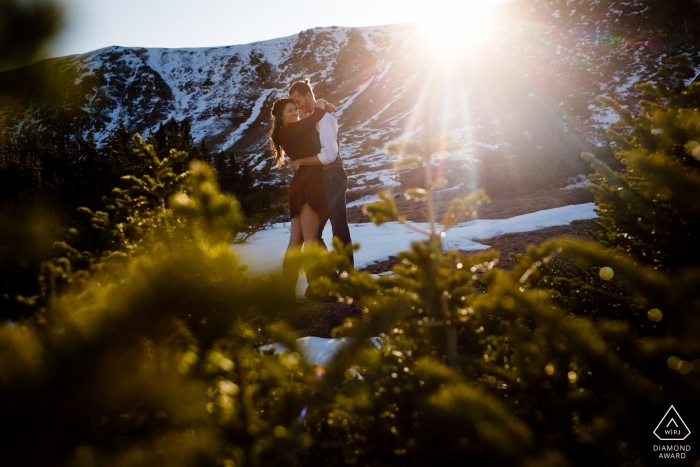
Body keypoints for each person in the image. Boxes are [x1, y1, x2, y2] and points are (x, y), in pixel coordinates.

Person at [269, 96, 334, 300]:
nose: (294, 112)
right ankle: (316, 289)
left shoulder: (285, 132)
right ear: (280, 116)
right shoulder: (290, 129)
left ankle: (286, 290)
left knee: (295, 242)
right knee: (311, 239)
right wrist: (321, 102)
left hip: (300, 182)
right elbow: (317, 115)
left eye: (294, 109)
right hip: (308, 182)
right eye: (289, 110)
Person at [287, 79, 354, 268]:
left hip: (332, 175)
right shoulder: (317, 116)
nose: (298, 108)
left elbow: (329, 155)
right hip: (322, 179)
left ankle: (348, 275)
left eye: (299, 102)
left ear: (308, 95)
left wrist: (301, 161)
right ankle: (329, 275)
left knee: (338, 227)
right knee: (315, 234)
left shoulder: (325, 119)